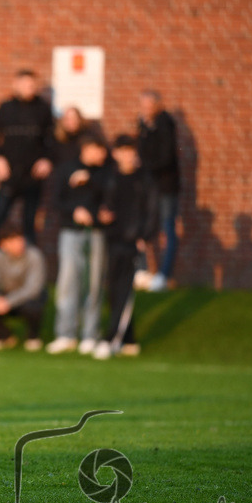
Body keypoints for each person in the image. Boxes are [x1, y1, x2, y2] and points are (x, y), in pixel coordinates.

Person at [93, 135, 158, 360]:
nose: (127, 155)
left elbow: (152, 210)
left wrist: (145, 236)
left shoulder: (144, 178)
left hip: (133, 242)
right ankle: (129, 340)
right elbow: (102, 204)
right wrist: (101, 215)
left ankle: (110, 339)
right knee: (114, 290)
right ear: (116, 153)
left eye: (130, 151)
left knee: (125, 291)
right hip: (112, 239)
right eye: (122, 151)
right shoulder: (109, 176)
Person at [46, 133, 111, 355]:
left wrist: (90, 182)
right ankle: (66, 334)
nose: (102, 154)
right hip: (70, 232)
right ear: (87, 147)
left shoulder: (105, 171)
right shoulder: (66, 169)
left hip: (96, 233)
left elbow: (109, 198)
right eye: (98, 149)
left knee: (94, 284)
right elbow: (55, 201)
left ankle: (90, 334)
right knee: (68, 281)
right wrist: (75, 211)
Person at [0, 69, 55, 248]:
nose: (29, 88)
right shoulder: (6, 107)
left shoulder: (43, 109)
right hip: (9, 174)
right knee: (0, 217)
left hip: (33, 176)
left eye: (32, 85)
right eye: (24, 84)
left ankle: (29, 264)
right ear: (16, 85)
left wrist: (47, 160)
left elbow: (53, 139)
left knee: (30, 221)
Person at [0, 222, 47, 352]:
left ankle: (33, 337)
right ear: (4, 245)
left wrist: (9, 301)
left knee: (34, 307)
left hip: (27, 298)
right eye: (14, 241)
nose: (19, 244)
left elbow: (33, 288)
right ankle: (4, 337)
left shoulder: (34, 256)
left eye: (20, 239)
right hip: (5, 295)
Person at [136, 90, 180, 292]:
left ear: (157, 105)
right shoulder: (144, 124)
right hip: (148, 186)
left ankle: (164, 275)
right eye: (142, 105)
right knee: (145, 227)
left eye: (148, 105)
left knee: (167, 229)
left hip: (165, 187)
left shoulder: (165, 124)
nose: (145, 109)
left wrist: (145, 166)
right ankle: (144, 271)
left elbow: (166, 157)